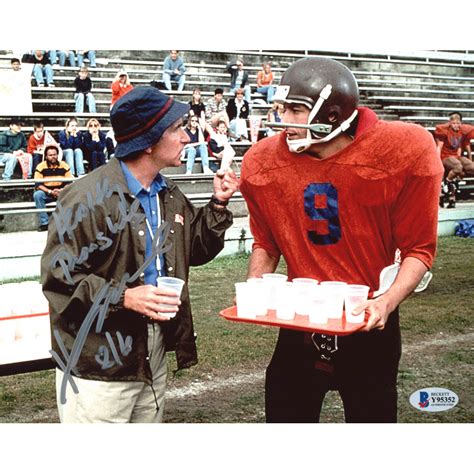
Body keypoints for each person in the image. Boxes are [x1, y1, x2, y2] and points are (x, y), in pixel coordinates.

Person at [239, 57, 443, 423]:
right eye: (282, 107)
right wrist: (257, 286)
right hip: (301, 320)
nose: (283, 118)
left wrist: (386, 302)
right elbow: (267, 243)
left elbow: (419, 251)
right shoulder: (263, 160)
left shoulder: (400, 149)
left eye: (296, 109)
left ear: (332, 114)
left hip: (367, 322)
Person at [41, 86, 239, 423]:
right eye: (177, 129)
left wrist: (218, 204)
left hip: (152, 349)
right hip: (98, 362)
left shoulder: (168, 193)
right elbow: (59, 280)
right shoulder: (84, 198)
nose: (187, 137)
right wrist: (125, 296)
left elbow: (195, 249)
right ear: (148, 141)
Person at [434, 112, 474, 208]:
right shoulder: (444, 131)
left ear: (461, 123)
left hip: (455, 157)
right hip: (445, 157)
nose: (456, 125)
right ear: (450, 123)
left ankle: (451, 196)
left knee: (470, 167)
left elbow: (463, 148)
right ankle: (447, 184)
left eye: (458, 123)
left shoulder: (463, 131)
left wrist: (468, 161)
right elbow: (439, 147)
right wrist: (437, 161)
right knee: (457, 167)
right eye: (454, 123)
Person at [33, 143, 73, 231]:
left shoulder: (64, 165)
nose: (53, 157)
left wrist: (61, 190)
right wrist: (50, 192)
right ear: (46, 156)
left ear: (57, 155)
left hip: (61, 192)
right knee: (38, 195)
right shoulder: (40, 166)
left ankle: (67, 222)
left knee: (72, 192)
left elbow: (69, 182)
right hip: (47, 192)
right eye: (50, 155)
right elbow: (38, 184)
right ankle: (44, 223)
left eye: (54, 154)